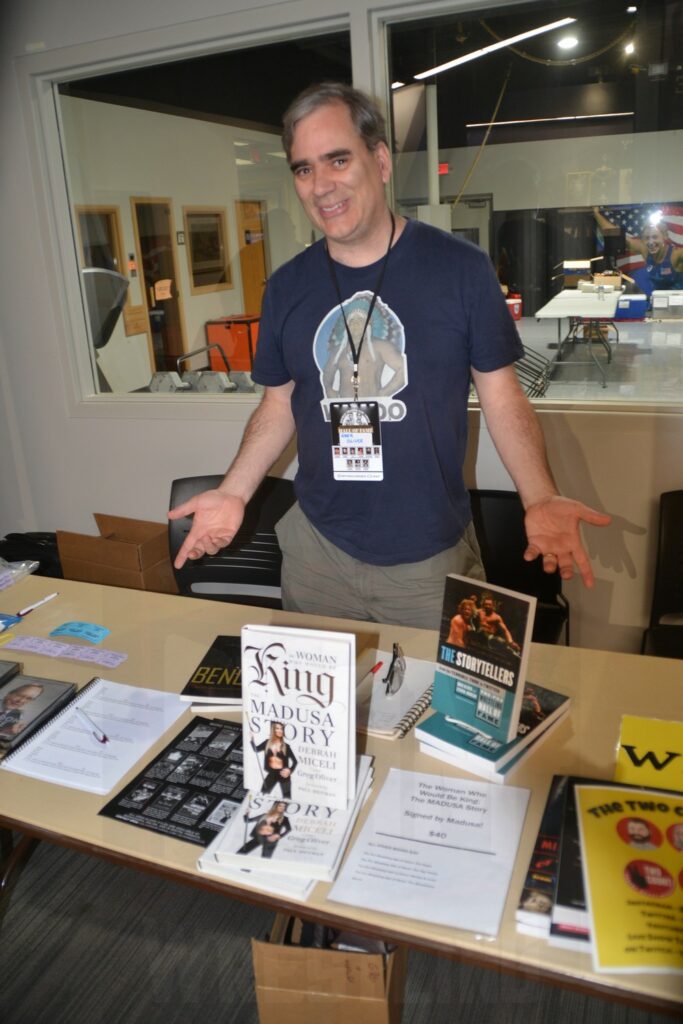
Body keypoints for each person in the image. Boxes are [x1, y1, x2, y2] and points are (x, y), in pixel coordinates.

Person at [169, 82, 611, 629]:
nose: (320, 185)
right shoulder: (287, 287)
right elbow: (278, 403)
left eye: (337, 159)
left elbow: (501, 397)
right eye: (304, 168)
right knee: (322, 712)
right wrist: (234, 492)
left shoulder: (460, 270)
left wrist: (539, 497)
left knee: (426, 710)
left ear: (379, 161)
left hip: (427, 561)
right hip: (316, 555)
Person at [593, 207, 683, 292]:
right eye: (647, 238)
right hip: (657, 301)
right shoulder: (645, 250)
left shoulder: (676, 254)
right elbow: (615, 234)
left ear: (665, 237)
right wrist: (596, 213)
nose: (651, 242)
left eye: (655, 237)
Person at [251, 721, 298, 799]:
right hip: (272, 774)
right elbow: (256, 749)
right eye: (277, 728)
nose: (280, 730)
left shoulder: (286, 746)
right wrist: (251, 739)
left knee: (287, 797)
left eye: (281, 729)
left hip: (284, 774)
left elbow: (295, 762)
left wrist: (289, 770)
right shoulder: (267, 743)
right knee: (263, 794)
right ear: (273, 730)